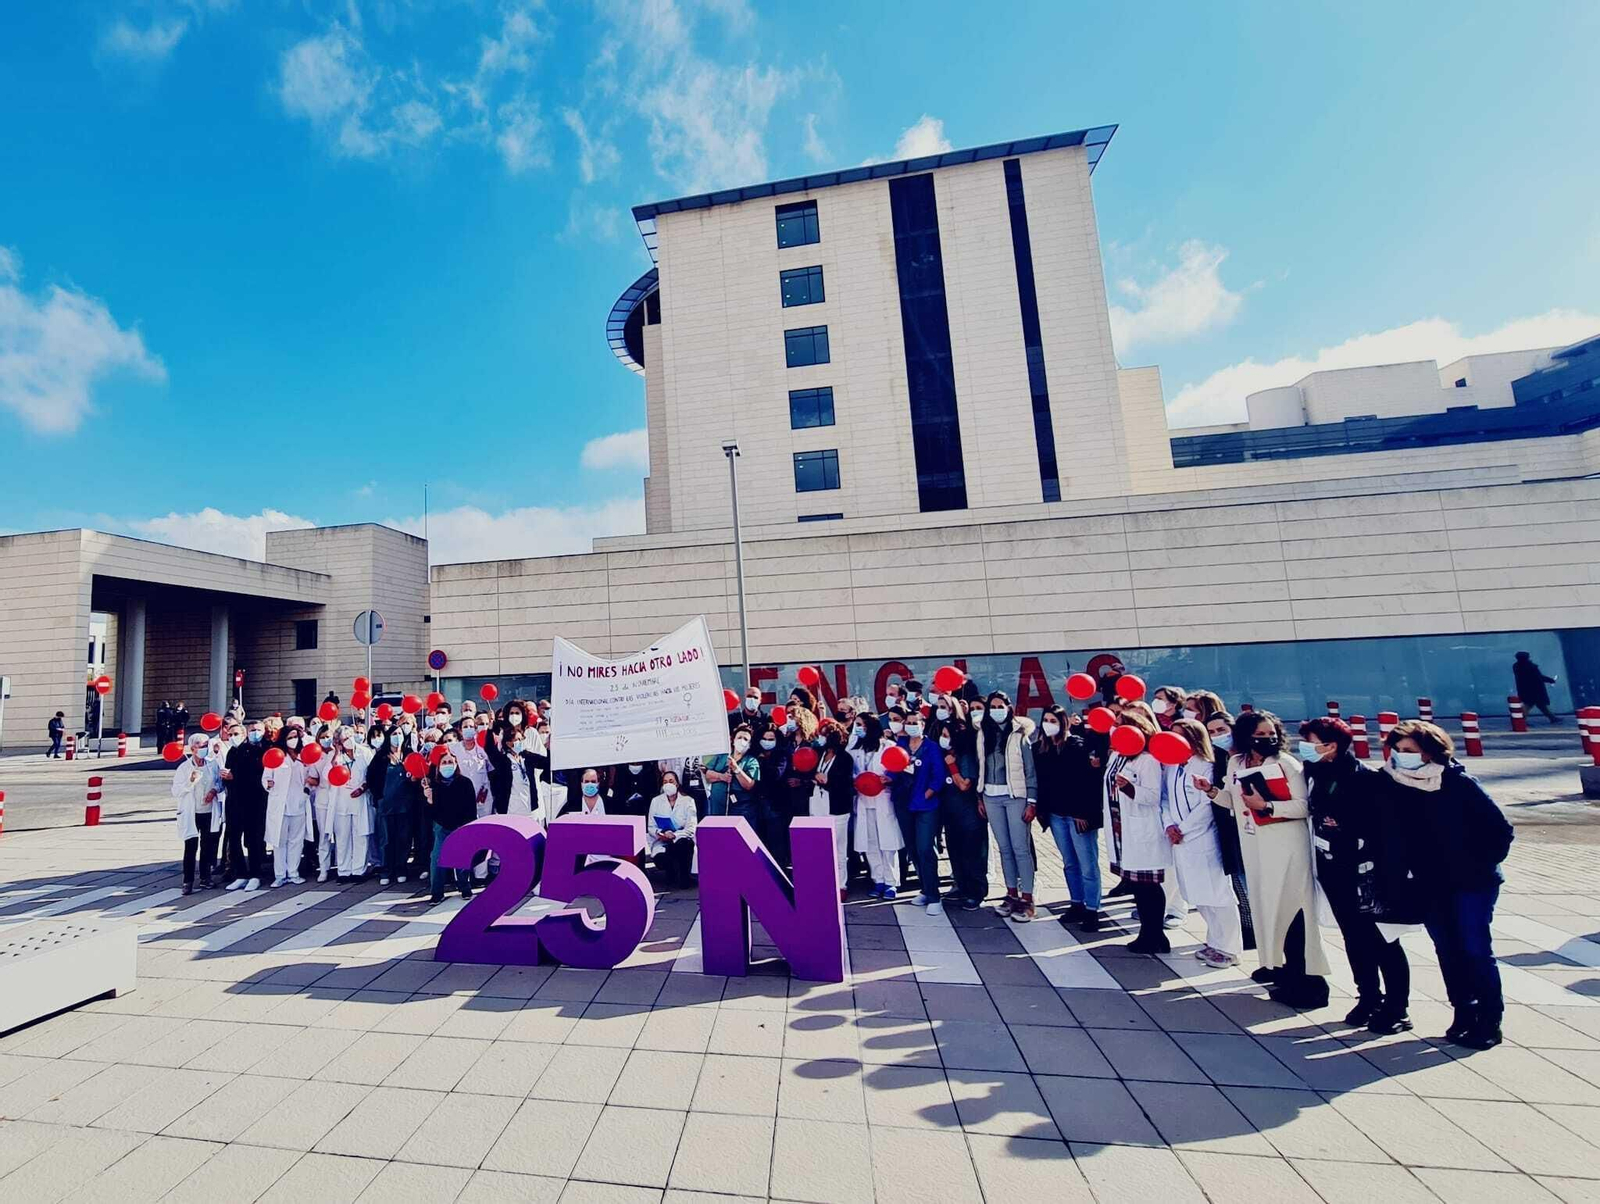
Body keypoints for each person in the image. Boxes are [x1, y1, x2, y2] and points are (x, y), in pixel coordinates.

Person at [1381, 719, 1513, 1049]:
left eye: (1409, 750)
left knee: (1475, 948)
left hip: (1472, 882)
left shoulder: (1458, 782)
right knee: (1448, 949)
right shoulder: (1396, 783)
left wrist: (1475, 862)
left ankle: (1490, 1018)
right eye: (1397, 749)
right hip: (1429, 882)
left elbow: (1501, 830)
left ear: (1429, 750)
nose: (1401, 755)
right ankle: (1464, 1011)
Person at [1200, 710, 1331, 1009]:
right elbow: (1233, 800)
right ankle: (1283, 971)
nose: (1266, 740)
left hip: (1287, 847)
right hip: (1255, 848)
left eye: (1270, 734)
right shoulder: (1236, 762)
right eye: (1259, 735)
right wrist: (1211, 791)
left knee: (1294, 915)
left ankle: (1309, 983)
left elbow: (1304, 806)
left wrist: (1269, 806)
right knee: (1269, 913)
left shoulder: (1285, 763)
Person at [1300, 717, 1415, 1034]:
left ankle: (1397, 1006)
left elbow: (1380, 828)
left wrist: (1345, 827)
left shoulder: (1363, 778)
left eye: (1311, 742)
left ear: (1331, 746)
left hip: (1366, 873)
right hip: (1333, 869)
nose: (1306, 749)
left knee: (1382, 940)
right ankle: (1368, 995)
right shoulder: (1315, 772)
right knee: (1354, 938)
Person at [1160, 719, 1241, 966]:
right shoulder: (1172, 766)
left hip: (1203, 838)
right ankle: (1214, 942)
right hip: (1180, 841)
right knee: (1198, 894)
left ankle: (1230, 948)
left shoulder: (1208, 766)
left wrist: (1183, 828)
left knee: (1218, 895)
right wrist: (1169, 825)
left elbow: (1207, 806)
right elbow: (1165, 799)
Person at [1100, 706, 1171, 951]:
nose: (1115, 730)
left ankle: (1155, 935)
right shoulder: (1118, 755)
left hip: (1142, 828)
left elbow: (1152, 796)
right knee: (1137, 885)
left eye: (1121, 725)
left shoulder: (1148, 759)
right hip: (1122, 827)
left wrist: (1129, 788)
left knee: (1148, 885)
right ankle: (1147, 932)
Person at [1034, 705, 1104, 930]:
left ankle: (1093, 909)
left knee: (1088, 864)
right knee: (1069, 862)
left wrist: (1084, 812)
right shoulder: (1041, 749)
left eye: (1053, 720)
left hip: (1078, 815)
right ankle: (1077, 904)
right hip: (1056, 814)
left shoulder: (1076, 746)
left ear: (1062, 722)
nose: (1048, 724)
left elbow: (1088, 782)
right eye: (1046, 719)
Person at [976, 691, 1038, 921]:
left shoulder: (1019, 735)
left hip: (1015, 797)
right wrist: (980, 796)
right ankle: (1011, 893)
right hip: (991, 796)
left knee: (1020, 848)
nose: (996, 710)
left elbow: (1030, 770)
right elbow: (981, 765)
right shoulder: (983, 734)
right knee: (1004, 848)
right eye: (992, 706)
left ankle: (1028, 899)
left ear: (1009, 707)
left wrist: (1032, 800)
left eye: (1000, 706)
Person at [1204, 711, 1254, 951]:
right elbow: (1226, 797)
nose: (1217, 736)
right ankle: (1249, 928)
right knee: (1237, 879)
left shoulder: (1248, 758)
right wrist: (1211, 791)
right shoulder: (1220, 758)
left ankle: (1255, 929)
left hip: (1252, 828)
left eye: (1221, 731)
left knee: (1249, 880)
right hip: (1227, 826)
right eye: (1211, 732)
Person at [934, 701, 987, 910]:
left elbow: (965, 784)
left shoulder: (964, 755)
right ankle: (961, 888)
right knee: (955, 851)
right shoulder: (946, 753)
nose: (943, 739)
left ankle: (976, 892)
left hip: (969, 813)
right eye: (942, 735)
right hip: (950, 811)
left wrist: (952, 766)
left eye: (947, 735)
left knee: (972, 853)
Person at [893, 709, 946, 913]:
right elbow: (893, 768)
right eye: (909, 722)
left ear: (923, 724)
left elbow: (938, 776)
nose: (912, 725)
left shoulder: (931, 747)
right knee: (912, 848)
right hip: (904, 803)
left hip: (926, 805)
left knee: (925, 848)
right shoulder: (902, 745)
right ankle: (925, 889)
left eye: (916, 722)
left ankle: (935, 896)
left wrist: (929, 792)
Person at [851, 714, 902, 898]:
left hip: (883, 799)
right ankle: (877, 879)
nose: (857, 728)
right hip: (863, 800)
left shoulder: (888, 746)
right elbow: (851, 771)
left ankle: (891, 882)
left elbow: (899, 769)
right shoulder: (855, 747)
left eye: (860, 725)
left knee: (887, 843)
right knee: (870, 842)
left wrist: (889, 779)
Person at [422, 748, 477, 903]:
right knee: (437, 858)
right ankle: (437, 892)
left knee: (461, 858)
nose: (447, 765)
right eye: (444, 763)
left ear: (456, 764)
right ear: (438, 766)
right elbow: (429, 813)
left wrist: (467, 826)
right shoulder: (434, 785)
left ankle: (464, 887)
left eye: (450, 762)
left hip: (461, 825)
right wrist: (429, 801)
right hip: (442, 826)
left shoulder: (465, 783)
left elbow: (471, 808)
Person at [809, 719, 856, 900]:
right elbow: (809, 769)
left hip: (837, 807)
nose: (821, 738)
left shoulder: (844, 758)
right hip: (818, 803)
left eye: (824, 735)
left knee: (838, 848)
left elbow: (845, 783)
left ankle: (841, 884)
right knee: (820, 846)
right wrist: (815, 777)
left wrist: (827, 781)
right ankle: (823, 882)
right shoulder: (819, 753)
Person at [221, 719, 268, 891]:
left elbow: (258, 776)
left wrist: (235, 777)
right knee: (233, 838)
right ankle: (240, 873)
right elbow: (228, 775)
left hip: (254, 801)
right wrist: (226, 777)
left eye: (237, 734)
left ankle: (255, 874)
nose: (233, 737)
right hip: (234, 800)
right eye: (231, 734)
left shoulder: (259, 750)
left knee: (253, 838)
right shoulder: (232, 752)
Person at [172, 733, 220, 893]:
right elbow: (176, 791)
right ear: (193, 749)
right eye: (201, 746)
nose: (204, 749)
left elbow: (219, 782)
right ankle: (188, 881)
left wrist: (213, 791)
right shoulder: (184, 768)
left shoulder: (212, 764)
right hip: (191, 813)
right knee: (190, 847)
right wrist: (190, 782)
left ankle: (206, 878)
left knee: (207, 846)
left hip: (208, 811)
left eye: (207, 746)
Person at [264, 725, 311, 887]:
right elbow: (265, 778)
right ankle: (279, 875)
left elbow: (310, 779)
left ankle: (293, 872)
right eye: (290, 737)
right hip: (280, 805)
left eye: (295, 736)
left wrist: (307, 789)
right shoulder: (276, 756)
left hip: (298, 804)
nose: (293, 740)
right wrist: (268, 783)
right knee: (279, 841)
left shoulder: (303, 756)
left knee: (296, 841)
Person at [374, 727, 417, 886]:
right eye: (393, 734)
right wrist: (379, 798)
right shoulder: (380, 757)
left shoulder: (409, 753)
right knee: (386, 839)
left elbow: (418, 773)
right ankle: (386, 870)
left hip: (405, 805)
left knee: (403, 838)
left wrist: (414, 779)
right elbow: (372, 778)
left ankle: (401, 868)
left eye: (399, 733)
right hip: (386, 805)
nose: (397, 737)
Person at [645, 770, 698, 886]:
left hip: (681, 839)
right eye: (665, 782)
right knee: (662, 858)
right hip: (662, 840)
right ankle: (671, 874)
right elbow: (651, 826)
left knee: (684, 844)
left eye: (671, 781)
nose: (668, 784)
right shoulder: (656, 801)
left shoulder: (688, 801)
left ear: (677, 784)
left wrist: (675, 835)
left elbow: (691, 828)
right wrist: (660, 834)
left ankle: (685, 877)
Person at [705, 725, 760, 820]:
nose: (742, 741)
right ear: (733, 740)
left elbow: (749, 785)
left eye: (745, 739)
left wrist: (736, 768)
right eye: (739, 738)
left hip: (741, 808)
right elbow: (707, 775)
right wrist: (722, 776)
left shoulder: (752, 761)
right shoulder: (722, 756)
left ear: (749, 744)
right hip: (718, 807)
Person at [1512, 651, 1560, 723]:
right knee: (1530, 705)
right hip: (1535, 690)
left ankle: (1553, 718)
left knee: (1541, 705)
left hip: (1524, 689)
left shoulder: (1516, 666)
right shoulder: (1531, 667)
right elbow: (1539, 677)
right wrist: (1550, 680)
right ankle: (1520, 721)